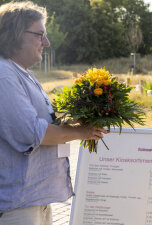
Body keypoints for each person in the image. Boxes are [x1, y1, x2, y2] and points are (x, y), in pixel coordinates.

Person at [0, 2, 108, 225]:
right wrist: (83, 131)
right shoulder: (4, 75)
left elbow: (45, 122)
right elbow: (34, 133)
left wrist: (78, 117)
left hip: (34, 199)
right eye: (40, 35)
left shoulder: (23, 73)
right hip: (17, 205)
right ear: (14, 34)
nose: (46, 43)